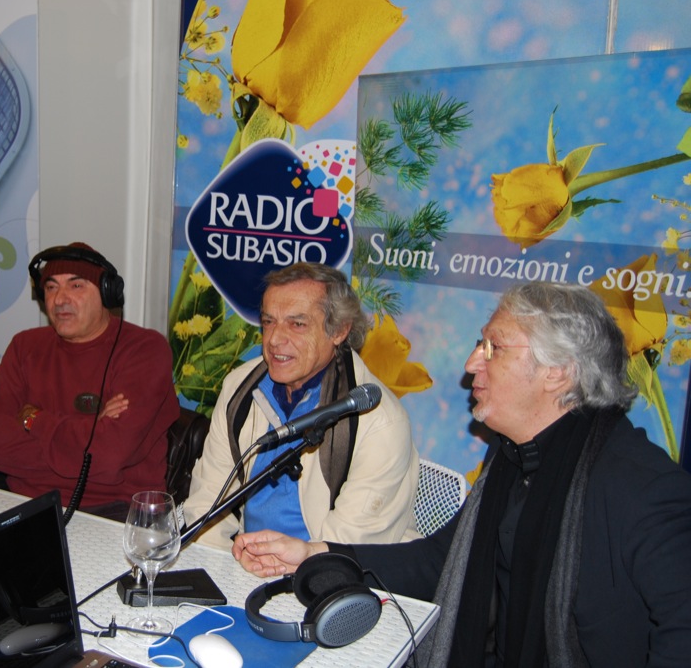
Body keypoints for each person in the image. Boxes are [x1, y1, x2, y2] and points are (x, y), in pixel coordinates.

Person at [233, 282, 691, 667]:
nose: (472, 363)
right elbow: (442, 559)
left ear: (557, 372)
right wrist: (314, 554)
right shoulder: (512, 459)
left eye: (494, 347)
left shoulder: (645, 489)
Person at [183, 262, 419, 550]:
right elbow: (208, 503)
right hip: (245, 563)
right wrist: (215, 567)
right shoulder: (239, 388)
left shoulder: (380, 422)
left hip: (329, 569)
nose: (274, 339)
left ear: (339, 330)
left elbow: (348, 547)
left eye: (297, 324)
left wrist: (283, 568)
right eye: (268, 321)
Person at [0, 242, 179, 519]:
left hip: (116, 511)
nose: (60, 299)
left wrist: (34, 419)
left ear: (107, 293)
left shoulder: (145, 350)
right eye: (51, 287)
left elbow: (109, 456)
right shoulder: (24, 346)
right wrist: (90, 436)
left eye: (76, 285)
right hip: (26, 503)